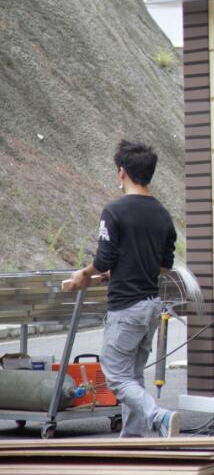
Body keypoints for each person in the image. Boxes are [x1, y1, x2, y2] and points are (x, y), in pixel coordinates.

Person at [62, 140, 180, 438]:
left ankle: (159, 416)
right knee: (133, 375)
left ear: (122, 172)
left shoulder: (114, 211)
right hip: (151, 305)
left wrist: (84, 274)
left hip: (126, 307)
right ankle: (133, 438)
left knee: (115, 376)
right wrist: (118, 271)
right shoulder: (163, 214)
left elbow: (104, 259)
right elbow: (164, 265)